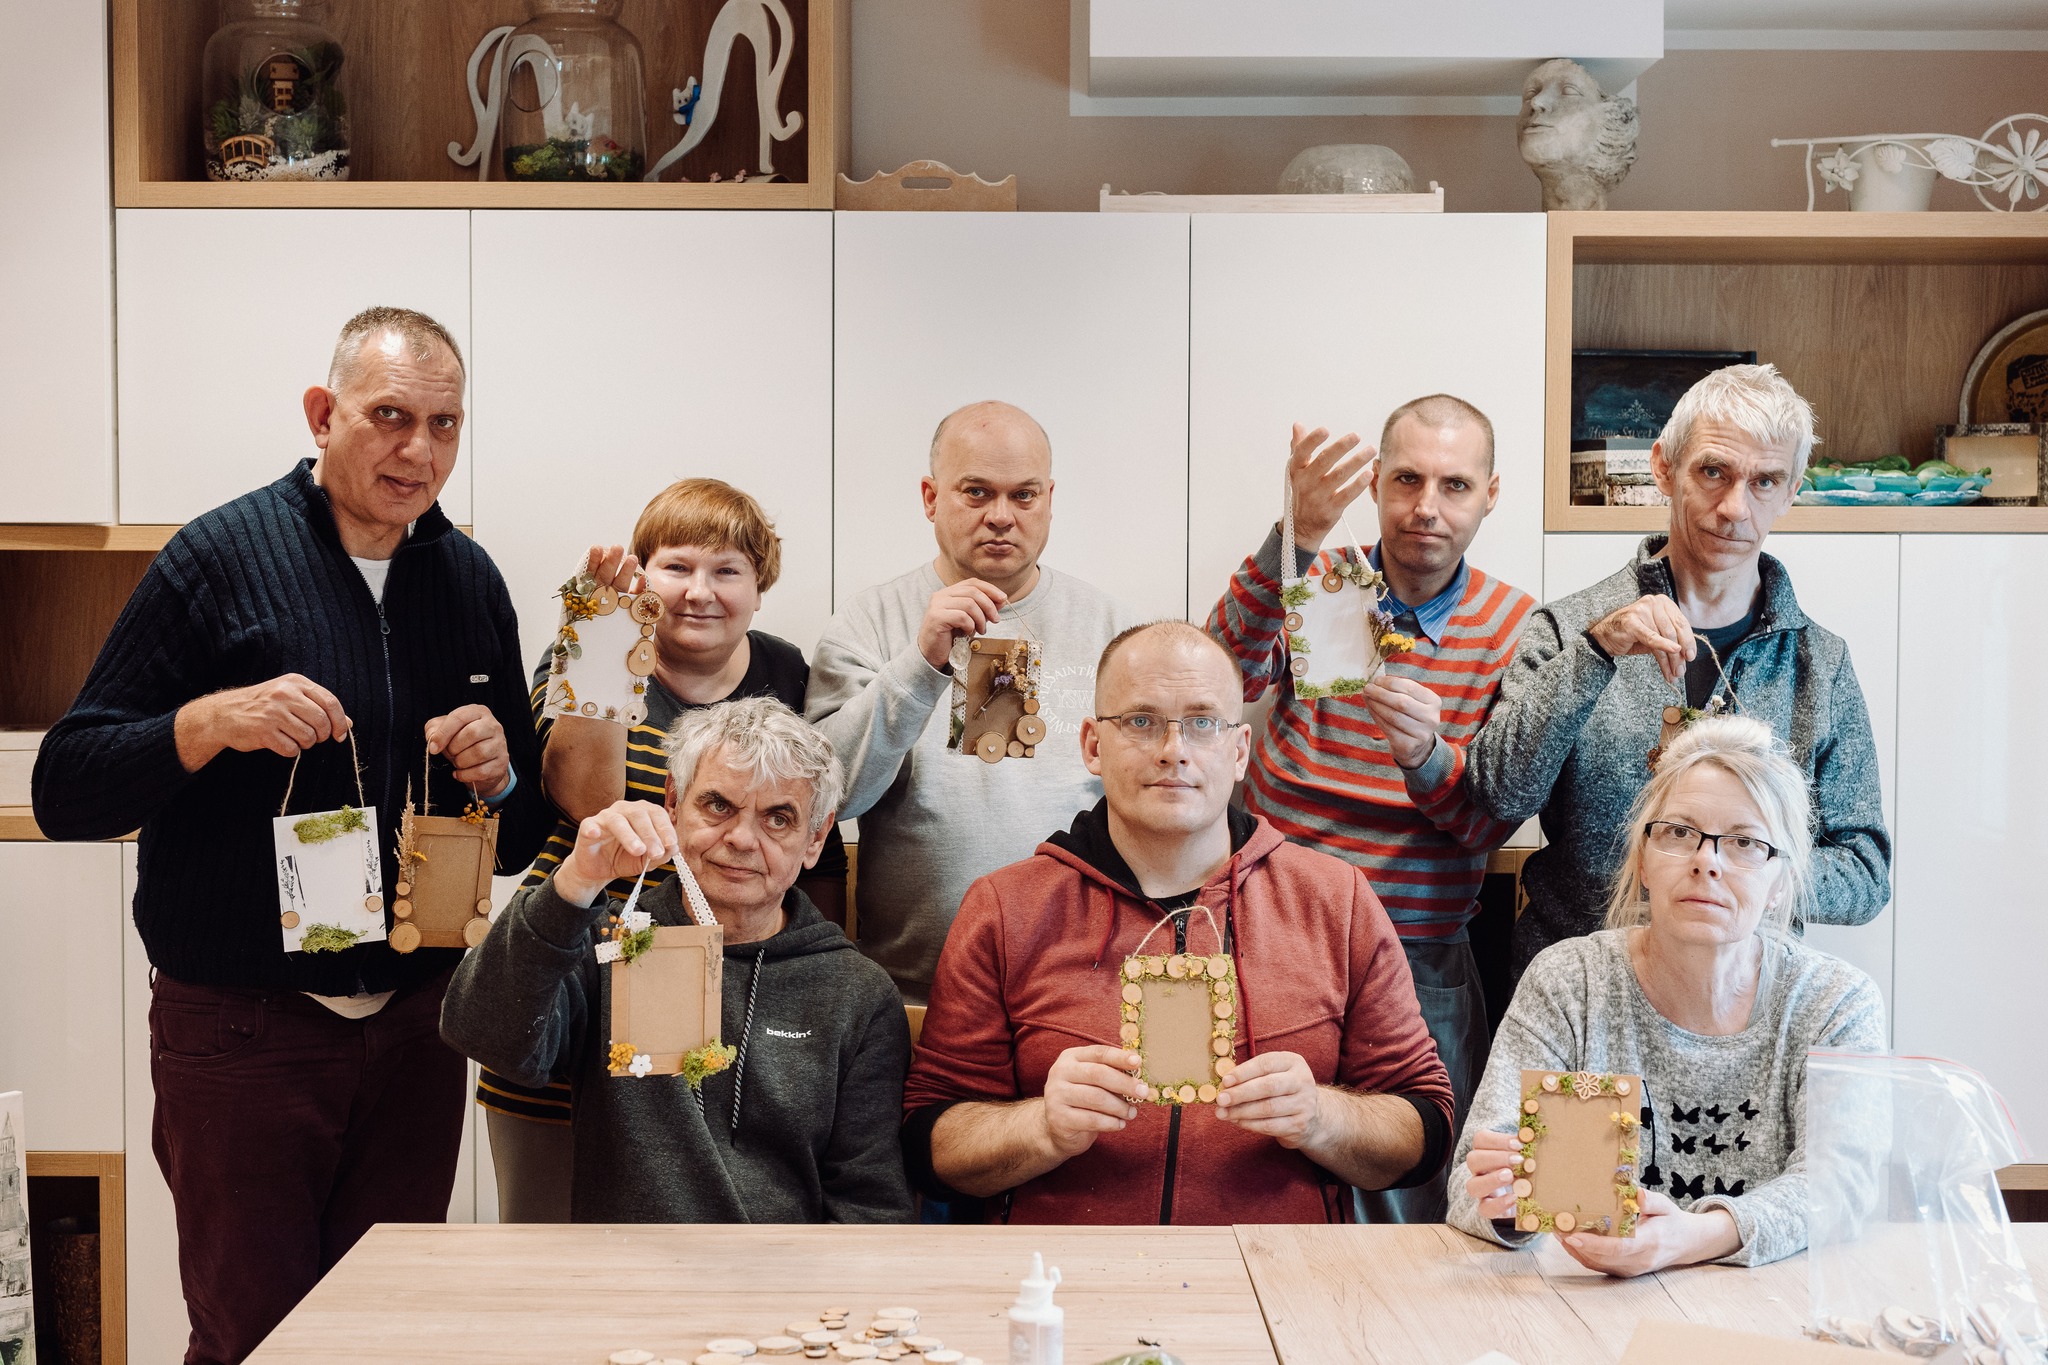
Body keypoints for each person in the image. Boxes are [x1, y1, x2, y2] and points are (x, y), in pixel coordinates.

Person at [33, 307, 551, 1364]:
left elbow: (518, 835)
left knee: (385, 1337)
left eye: (444, 424)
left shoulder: (468, 580)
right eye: (389, 416)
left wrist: (502, 776)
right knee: (255, 1340)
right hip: (242, 1031)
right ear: (323, 415)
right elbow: (66, 788)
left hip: (416, 1027)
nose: (418, 450)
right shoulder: (214, 560)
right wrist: (204, 724)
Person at [902, 621, 1454, 1224]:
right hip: (1067, 1284)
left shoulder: (1334, 900)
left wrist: (1323, 1118)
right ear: (1092, 744)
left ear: (1239, 750)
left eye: (1202, 722)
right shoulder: (1006, 909)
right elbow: (932, 1144)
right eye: (1140, 721)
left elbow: (1424, 1130)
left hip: (1277, 1280)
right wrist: (1041, 1127)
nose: (1173, 749)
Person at [474, 478, 848, 1224]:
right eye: (676, 567)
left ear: (759, 588)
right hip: (567, 985)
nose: (699, 592)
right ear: (642, 576)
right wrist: (606, 645)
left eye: (727, 570)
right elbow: (588, 796)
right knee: (548, 1245)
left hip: (715, 1006)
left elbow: (814, 837)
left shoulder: (788, 673)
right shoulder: (588, 651)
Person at [1207, 395, 1535, 1223]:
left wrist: (1429, 760)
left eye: (1454, 485)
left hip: (1420, 956)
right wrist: (1297, 537)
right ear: (1378, 485)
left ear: (1491, 494)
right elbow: (1217, 686)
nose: (1428, 506)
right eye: (1407, 479)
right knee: (1261, 1181)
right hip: (1276, 942)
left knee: (1420, 1197)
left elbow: (1487, 820)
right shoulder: (1322, 579)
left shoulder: (1517, 626)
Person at [1465, 363, 1890, 981]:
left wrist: (1746, 866)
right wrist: (1596, 653)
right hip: (1579, 998)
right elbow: (1497, 795)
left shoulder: (1819, 662)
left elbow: (1866, 872)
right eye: (1713, 472)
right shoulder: (1568, 628)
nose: (1734, 508)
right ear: (1664, 467)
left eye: (1765, 481)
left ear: (1792, 489)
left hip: (1749, 1004)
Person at [442, 697, 912, 1223]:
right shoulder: (608, 943)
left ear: (816, 838)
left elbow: (869, 1202)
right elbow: (480, 1032)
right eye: (718, 806)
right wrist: (575, 883)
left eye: (778, 818)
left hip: (784, 1288)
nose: (740, 838)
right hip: (631, 1280)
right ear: (673, 804)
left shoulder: (855, 991)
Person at [1450, 716, 1885, 1274]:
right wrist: (1508, 1206)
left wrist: (1694, 1236)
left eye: (1746, 842)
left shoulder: (1835, 1004)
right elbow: (1470, 1185)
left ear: (1780, 885)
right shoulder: (1568, 982)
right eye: (1679, 832)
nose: (1707, 859)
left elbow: (1842, 1188)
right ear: (1642, 860)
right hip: (1587, 1309)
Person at [806, 400, 1144, 1002]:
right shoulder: (869, 621)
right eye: (977, 492)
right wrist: (920, 665)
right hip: (912, 990)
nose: (1001, 517)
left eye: (1024, 495)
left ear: (1049, 497)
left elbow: (1148, 803)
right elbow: (828, 797)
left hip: (1075, 989)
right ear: (931, 497)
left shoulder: (1112, 630)